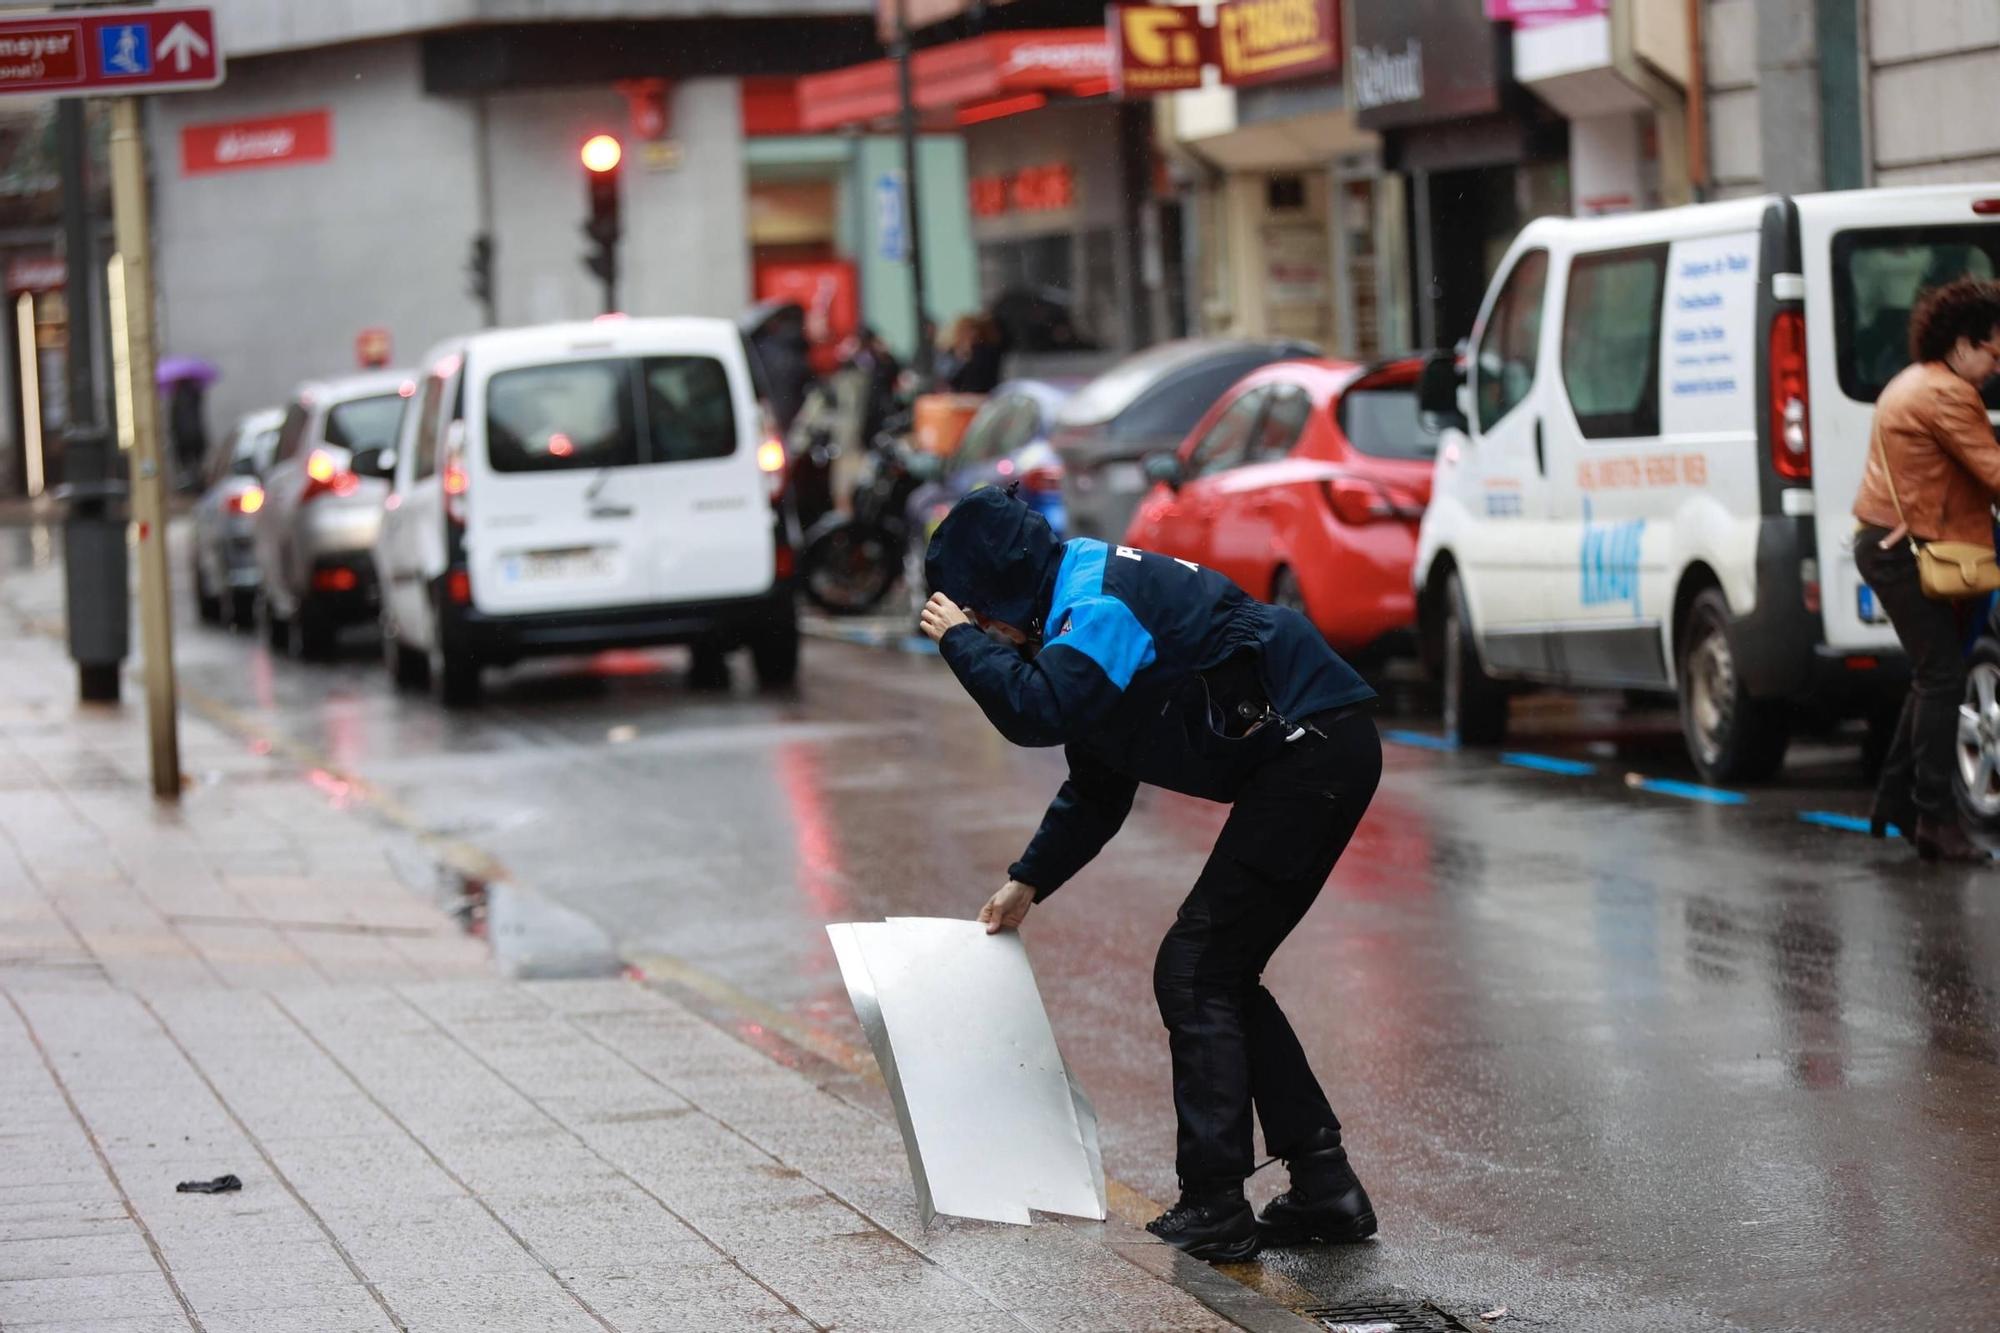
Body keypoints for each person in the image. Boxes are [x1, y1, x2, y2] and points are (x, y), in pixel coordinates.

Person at [916, 486, 1382, 1261]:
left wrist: (962, 642)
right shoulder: (1073, 609)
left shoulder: (1096, 605)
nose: (991, 631)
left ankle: (1217, 1203)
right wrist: (1028, 880)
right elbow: (1099, 780)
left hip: (1314, 747)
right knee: (1219, 971)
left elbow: (1038, 712)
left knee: (1195, 969)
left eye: (982, 613)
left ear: (998, 590)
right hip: (1314, 750)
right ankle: (1324, 1188)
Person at [1852, 276, 2000, 863]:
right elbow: (1993, 471)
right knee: (1942, 673)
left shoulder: (1915, 381)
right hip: (1907, 551)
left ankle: (1897, 802)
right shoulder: (1947, 394)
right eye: (1993, 351)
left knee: (1932, 673)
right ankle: (1934, 818)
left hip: (1892, 544)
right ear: (1962, 343)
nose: (1995, 365)